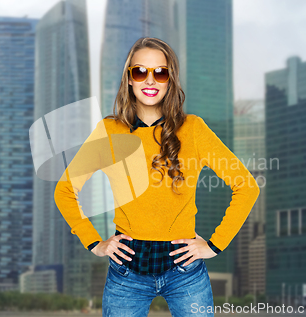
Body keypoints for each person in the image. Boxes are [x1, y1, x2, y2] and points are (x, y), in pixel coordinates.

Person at [54, 37, 260, 317]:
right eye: (140, 71)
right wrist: (94, 242)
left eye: (160, 72)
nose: (150, 81)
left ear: (170, 80)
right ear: (129, 79)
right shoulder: (109, 130)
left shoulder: (194, 129)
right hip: (126, 271)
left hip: (185, 271)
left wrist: (215, 244)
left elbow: (246, 185)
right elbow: (65, 189)